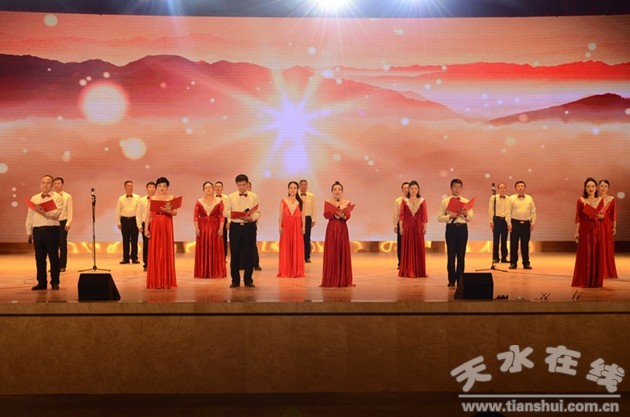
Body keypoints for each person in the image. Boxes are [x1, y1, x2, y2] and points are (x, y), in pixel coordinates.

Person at [25, 175, 64, 290]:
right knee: (40, 258)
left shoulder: (57, 197)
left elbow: (56, 214)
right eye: (43, 182)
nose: (45, 185)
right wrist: (29, 231)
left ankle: (55, 282)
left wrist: (43, 212)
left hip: (51, 229)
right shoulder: (35, 198)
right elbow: (30, 215)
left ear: (52, 185)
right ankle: (41, 282)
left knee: (53, 257)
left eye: (48, 183)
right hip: (37, 230)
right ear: (40, 184)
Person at [224, 174, 261, 288]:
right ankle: (235, 280)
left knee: (249, 254)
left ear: (247, 184)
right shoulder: (230, 197)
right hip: (235, 227)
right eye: (239, 185)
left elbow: (258, 212)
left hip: (249, 227)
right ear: (236, 185)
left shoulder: (254, 196)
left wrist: (251, 218)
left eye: (243, 185)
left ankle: (248, 280)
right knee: (235, 254)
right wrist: (236, 215)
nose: (241, 187)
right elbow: (225, 211)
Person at [438, 178, 473, 288]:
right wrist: (450, 216)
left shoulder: (466, 201)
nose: (457, 189)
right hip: (451, 229)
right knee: (451, 255)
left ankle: (460, 279)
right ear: (451, 188)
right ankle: (451, 280)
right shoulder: (445, 201)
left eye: (459, 187)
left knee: (461, 255)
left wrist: (465, 214)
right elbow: (439, 218)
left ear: (461, 188)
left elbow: (470, 218)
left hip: (462, 229)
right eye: (455, 187)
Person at [145, 177, 178, 289]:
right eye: (159, 186)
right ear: (156, 187)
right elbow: (148, 215)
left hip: (167, 224)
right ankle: (155, 281)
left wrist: (168, 211)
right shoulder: (152, 198)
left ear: (167, 187)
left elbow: (175, 213)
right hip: (155, 225)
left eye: (164, 186)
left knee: (166, 250)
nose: (161, 188)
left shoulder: (171, 198)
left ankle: (167, 281)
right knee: (155, 250)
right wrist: (146, 229)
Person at [572, 178, 604, 288]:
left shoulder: (600, 200)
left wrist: (601, 216)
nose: (591, 188)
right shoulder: (580, 200)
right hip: (584, 229)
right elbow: (578, 217)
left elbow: (602, 215)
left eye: (593, 186)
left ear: (596, 188)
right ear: (585, 188)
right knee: (585, 253)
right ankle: (584, 280)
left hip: (596, 228)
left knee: (595, 252)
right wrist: (576, 232)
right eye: (588, 186)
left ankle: (595, 281)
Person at [321, 181, 354, 287]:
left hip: (342, 228)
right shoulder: (328, 202)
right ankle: (331, 279)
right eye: (335, 189)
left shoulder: (347, 202)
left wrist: (343, 215)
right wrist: (333, 211)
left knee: (342, 251)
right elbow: (326, 215)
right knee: (331, 251)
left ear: (342, 191)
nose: (337, 191)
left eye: (339, 189)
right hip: (331, 229)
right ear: (332, 191)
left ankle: (343, 279)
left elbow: (348, 215)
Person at [193, 181, 226, 278]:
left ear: (213, 189)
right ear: (203, 190)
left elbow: (222, 216)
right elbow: (195, 216)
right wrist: (197, 228)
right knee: (203, 248)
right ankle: (203, 272)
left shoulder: (219, 201)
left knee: (215, 248)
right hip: (202, 228)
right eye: (206, 188)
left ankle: (216, 271)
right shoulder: (199, 201)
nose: (208, 189)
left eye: (210, 187)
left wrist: (221, 228)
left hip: (215, 227)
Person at [398, 180, 428, 278]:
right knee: (408, 247)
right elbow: (401, 215)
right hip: (407, 226)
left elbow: (424, 215)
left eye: (415, 188)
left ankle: (419, 271)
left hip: (418, 226)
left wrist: (425, 226)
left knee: (418, 247)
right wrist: (401, 227)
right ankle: (408, 270)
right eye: (411, 188)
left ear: (418, 190)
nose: (413, 190)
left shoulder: (422, 201)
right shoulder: (404, 201)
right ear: (409, 190)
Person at [278, 181, 306, 278]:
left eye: (295, 188)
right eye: (291, 188)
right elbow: (281, 215)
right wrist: (280, 226)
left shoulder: (301, 201)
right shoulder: (283, 201)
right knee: (286, 246)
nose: (292, 190)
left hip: (297, 226)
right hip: (286, 225)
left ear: (297, 189)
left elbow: (303, 215)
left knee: (296, 246)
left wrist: (303, 226)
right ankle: (286, 270)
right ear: (288, 189)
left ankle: (296, 270)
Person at [508, 181, 537, 270]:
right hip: (515, 223)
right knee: (514, 244)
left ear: (525, 188)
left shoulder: (529, 198)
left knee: (525, 244)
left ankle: (526, 263)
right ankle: (513, 263)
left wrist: (533, 222)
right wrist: (509, 223)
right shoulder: (511, 198)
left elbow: (533, 211)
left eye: (522, 186)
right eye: (518, 186)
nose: (520, 187)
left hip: (526, 224)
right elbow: (508, 211)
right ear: (515, 188)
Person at [115, 180, 141, 264]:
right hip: (124, 220)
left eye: (131, 186)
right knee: (125, 240)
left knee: (134, 240)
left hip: (134, 220)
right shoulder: (121, 198)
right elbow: (118, 211)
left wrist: (139, 223)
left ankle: (134, 258)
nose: (130, 187)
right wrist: (118, 222)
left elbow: (139, 211)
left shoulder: (138, 197)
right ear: (125, 187)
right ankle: (125, 258)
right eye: (128, 186)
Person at [598, 179, 618, 278]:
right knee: (598, 246)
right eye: (601, 186)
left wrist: (614, 226)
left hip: (607, 226)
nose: (603, 188)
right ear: (598, 187)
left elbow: (614, 214)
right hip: (596, 225)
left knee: (607, 247)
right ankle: (598, 271)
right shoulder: (594, 198)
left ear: (608, 188)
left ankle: (607, 271)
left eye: (605, 186)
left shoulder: (611, 199)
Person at [52, 176, 73, 272]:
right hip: (52, 222)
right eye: (55, 183)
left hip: (62, 221)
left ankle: (62, 265)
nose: (57, 185)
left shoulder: (67, 196)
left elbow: (70, 210)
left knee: (62, 244)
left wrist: (69, 222)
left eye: (58, 183)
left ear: (62, 184)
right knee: (53, 245)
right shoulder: (50, 196)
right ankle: (54, 265)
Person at [488, 183, 510, 264]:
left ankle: (504, 257)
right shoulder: (493, 198)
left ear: (506, 189)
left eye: (504, 188)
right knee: (496, 240)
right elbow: (490, 210)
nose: (502, 189)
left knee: (504, 240)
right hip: (496, 220)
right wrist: (491, 221)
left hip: (505, 220)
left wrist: (508, 222)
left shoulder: (508, 198)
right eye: (500, 188)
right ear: (498, 189)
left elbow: (508, 211)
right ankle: (495, 258)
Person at [137, 181, 156, 272]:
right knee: (146, 245)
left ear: (155, 189)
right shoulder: (142, 200)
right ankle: (146, 264)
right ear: (147, 188)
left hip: (156, 223)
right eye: (150, 187)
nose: (151, 189)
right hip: (145, 224)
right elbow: (138, 213)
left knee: (156, 244)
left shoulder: (158, 199)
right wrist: (139, 225)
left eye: (153, 187)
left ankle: (155, 264)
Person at [299, 179, 316, 263]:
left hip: (308, 217)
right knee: (298, 238)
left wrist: (314, 219)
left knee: (307, 237)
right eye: (302, 184)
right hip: (298, 218)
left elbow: (314, 207)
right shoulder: (296, 195)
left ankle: (307, 256)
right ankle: (298, 256)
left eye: (305, 184)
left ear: (307, 186)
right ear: (299, 186)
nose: (303, 186)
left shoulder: (311, 196)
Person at [393, 182, 410, 269]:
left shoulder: (414, 199)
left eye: (408, 188)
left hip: (411, 224)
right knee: (401, 244)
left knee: (410, 244)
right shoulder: (398, 201)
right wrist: (395, 225)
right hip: (401, 224)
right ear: (402, 190)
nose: (406, 190)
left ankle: (410, 263)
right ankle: (401, 263)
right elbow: (396, 214)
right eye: (404, 188)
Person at [215, 181, 229, 259]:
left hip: (224, 219)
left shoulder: (226, 198)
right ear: (214, 188)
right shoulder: (212, 197)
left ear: (222, 188)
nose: (218, 188)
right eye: (216, 186)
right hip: (214, 220)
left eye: (219, 186)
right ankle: (215, 256)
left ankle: (224, 256)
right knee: (214, 238)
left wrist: (228, 222)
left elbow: (229, 210)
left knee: (223, 237)